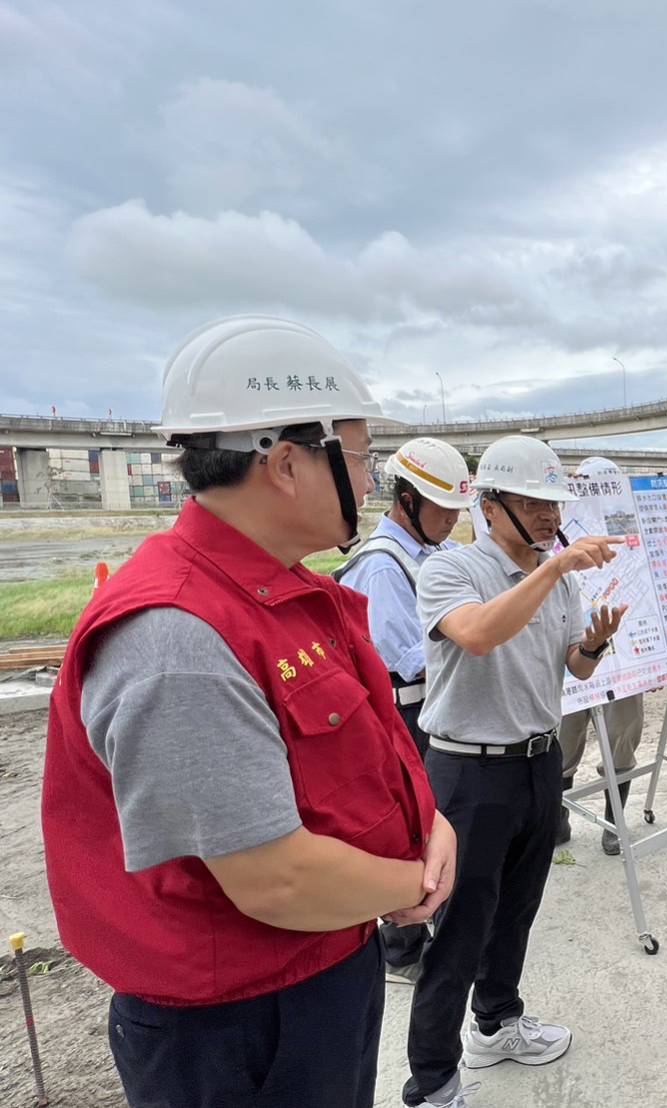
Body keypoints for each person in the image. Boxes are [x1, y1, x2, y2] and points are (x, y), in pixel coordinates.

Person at [42, 315, 455, 1108]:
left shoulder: (285, 596)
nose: (369, 484)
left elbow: (364, 762)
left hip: (323, 968)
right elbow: (273, 880)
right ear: (290, 463)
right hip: (238, 1026)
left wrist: (428, 823)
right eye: (363, 458)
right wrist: (411, 881)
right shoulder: (178, 637)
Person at [403, 435, 625, 1108]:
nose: (549, 518)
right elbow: (476, 635)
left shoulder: (559, 574)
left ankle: (497, 1022)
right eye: (532, 503)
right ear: (489, 505)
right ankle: (433, 1078)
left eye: (553, 505)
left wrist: (594, 641)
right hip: (468, 772)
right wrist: (552, 574)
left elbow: (573, 667)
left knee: (516, 911)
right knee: (461, 926)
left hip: (536, 761)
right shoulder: (451, 570)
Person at [335, 436, 474, 983]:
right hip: (406, 715)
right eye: (443, 509)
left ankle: (424, 920)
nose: (450, 521)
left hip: (432, 710)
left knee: (433, 821)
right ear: (408, 499)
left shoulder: (435, 555)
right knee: (408, 826)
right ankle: (403, 950)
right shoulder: (381, 565)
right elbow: (409, 657)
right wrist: (476, 639)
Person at [556, 455, 647, 856]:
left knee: (623, 736)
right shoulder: (558, 536)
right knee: (563, 739)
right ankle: (556, 820)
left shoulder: (632, 534)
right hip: (572, 656)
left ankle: (614, 820)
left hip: (625, 657)